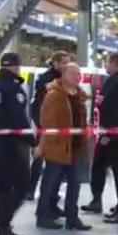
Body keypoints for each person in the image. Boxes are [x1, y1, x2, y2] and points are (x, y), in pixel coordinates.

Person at [0, 53, 35, 235]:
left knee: (2, 187)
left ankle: (2, 226)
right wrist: (31, 140)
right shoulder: (13, 89)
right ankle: (1, 224)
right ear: (16, 67)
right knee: (21, 185)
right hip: (13, 144)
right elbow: (17, 117)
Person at [35, 62, 93, 231]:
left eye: (78, 73)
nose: (78, 76)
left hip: (75, 147)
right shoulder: (54, 95)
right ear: (64, 74)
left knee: (75, 184)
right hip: (57, 147)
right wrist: (44, 144)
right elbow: (47, 122)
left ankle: (72, 217)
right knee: (50, 182)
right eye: (74, 73)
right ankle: (43, 215)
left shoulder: (80, 96)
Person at [82, 52, 118, 223]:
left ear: (114, 63)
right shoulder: (114, 81)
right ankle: (97, 200)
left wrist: (109, 134)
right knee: (99, 167)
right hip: (108, 133)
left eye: (107, 62)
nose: (105, 65)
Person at [27, 51, 73, 202]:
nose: (66, 65)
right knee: (40, 159)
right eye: (64, 62)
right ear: (56, 63)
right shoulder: (46, 79)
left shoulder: (65, 79)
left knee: (57, 162)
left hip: (60, 126)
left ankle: (52, 194)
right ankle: (31, 190)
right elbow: (39, 103)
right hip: (46, 125)